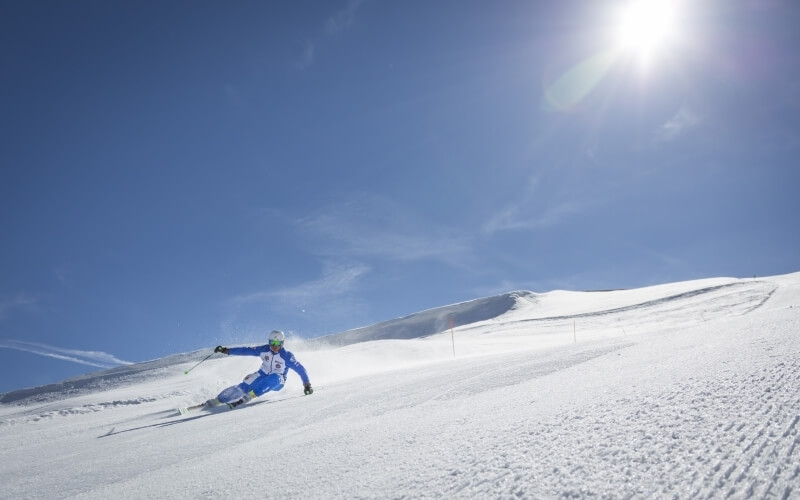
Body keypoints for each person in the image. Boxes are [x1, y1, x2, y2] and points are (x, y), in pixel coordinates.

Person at [208, 330, 313, 409]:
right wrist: (227, 351)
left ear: (282, 343)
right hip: (262, 374)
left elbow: (300, 369)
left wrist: (307, 385)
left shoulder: (286, 356)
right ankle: (218, 400)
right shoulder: (264, 349)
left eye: (277, 344)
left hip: (278, 380)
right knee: (244, 385)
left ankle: (251, 395)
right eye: (272, 343)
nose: (274, 346)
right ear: (269, 342)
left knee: (274, 377)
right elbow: (246, 351)